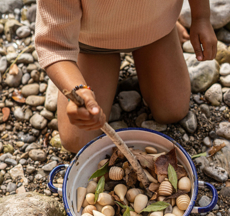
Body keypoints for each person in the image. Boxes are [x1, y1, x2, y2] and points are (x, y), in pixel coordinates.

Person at [35, 0, 217, 153]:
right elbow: (54, 45)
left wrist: (201, 17)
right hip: (92, 42)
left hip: (155, 29)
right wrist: (77, 89)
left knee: (173, 110)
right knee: (77, 140)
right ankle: (75, 65)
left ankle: (169, 25)